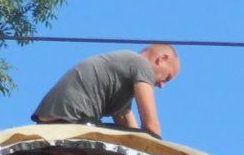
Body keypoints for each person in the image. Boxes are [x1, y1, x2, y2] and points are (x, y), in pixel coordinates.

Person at [30, 44, 181, 136]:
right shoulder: (142, 64)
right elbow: (151, 128)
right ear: (162, 59)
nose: (162, 85)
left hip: (49, 121)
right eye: (167, 77)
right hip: (74, 120)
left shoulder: (123, 69)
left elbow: (127, 123)